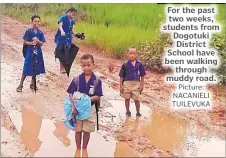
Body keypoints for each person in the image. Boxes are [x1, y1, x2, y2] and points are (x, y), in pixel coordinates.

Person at [67, 54, 103, 149]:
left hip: (90, 109)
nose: (86, 67)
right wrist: (73, 107)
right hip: (77, 109)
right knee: (78, 130)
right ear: (81, 66)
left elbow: (98, 95)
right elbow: (70, 93)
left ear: (93, 65)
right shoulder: (77, 79)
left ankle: (84, 149)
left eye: (88, 65)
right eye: (84, 65)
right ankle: (78, 149)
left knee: (87, 131)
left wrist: (86, 100)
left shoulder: (97, 80)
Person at [16, 15, 46, 92]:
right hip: (30, 51)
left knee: (35, 67)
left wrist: (37, 41)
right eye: (35, 21)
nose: (37, 23)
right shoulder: (29, 31)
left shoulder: (40, 32)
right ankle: (20, 85)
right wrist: (32, 43)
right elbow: (25, 42)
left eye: (38, 21)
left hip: (38, 52)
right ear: (32, 22)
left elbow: (42, 43)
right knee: (26, 67)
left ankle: (32, 84)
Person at [119, 47, 147, 117]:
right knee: (127, 98)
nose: (132, 55)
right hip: (126, 83)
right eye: (130, 53)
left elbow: (142, 75)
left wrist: (141, 85)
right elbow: (121, 76)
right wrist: (121, 86)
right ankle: (127, 111)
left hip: (136, 84)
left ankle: (138, 112)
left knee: (136, 99)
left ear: (136, 54)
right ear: (127, 54)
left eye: (134, 53)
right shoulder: (125, 64)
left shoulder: (139, 64)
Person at [54, 7, 77, 74]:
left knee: (67, 53)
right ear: (69, 12)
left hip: (68, 38)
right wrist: (62, 31)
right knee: (62, 52)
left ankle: (64, 67)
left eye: (74, 14)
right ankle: (61, 69)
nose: (73, 15)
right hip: (61, 37)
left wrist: (75, 34)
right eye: (73, 14)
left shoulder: (72, 20)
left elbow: (71, 30)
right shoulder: (63, 18)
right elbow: (60, 26)